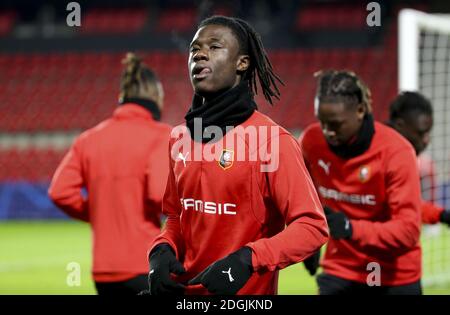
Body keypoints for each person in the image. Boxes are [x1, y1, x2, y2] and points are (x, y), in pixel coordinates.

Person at [146, 16, 329, 295]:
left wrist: (247, 259)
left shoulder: (272, 141)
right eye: (195, 49)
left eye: (214, 47)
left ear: (242, 63)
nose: (200, 54)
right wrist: (161, 249)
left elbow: (312, 227)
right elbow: (176, 217)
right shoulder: (180, 137)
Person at [48, 53, 171, 295]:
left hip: (103, 271)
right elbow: (160, 195)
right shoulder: (162, 134)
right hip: (145, 263)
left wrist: (100, 211)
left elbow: (59, 192)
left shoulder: (89, 139)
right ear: (156, 96)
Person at [299, 70, 422, 295]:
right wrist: (310, 241)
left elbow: (408, 231)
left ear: (360, 110)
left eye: (335, 124)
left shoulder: (396, 152)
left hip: (394, 275)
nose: (327, 132)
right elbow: (307, 199)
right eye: (322, 122)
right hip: (341, 269)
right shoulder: (311, 141)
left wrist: (350, 228)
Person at [388, 91, 450, 226]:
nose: (426, 140)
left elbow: (407, 203)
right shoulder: (379, 156)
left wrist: (442, 215)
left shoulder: (404, 158)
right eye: (421, 133)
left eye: (428, 133)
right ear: (399, 125)